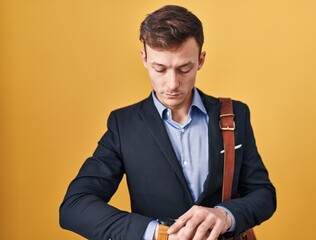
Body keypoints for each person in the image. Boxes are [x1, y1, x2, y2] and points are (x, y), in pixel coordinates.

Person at [59, 5, 276, 240]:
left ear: (201, 60)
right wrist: (157, 233)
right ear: (144, 58)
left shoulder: (236, 114)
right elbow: (75, 207)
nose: (172, 84)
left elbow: (263, 194)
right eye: (159, 69)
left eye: (184, 69)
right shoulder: (123, 124)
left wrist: (225, 216)